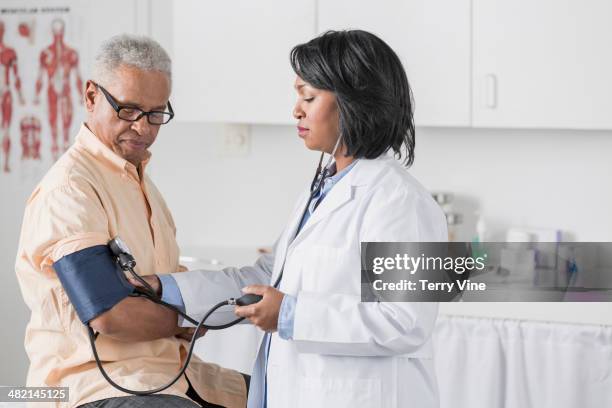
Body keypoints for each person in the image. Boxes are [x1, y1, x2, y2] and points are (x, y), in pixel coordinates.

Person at [136, 30, 448, 408]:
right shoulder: (322, 189)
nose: (296, 110)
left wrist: (290, 314)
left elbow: (406, 322)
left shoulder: (401, 201)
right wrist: (163, 288)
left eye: (309, 96)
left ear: (353, 101)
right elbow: (265, 279)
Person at [15, 35, 247, 408]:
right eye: (128, 110)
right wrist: (186, 321)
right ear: (91, 97)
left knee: (279, 389)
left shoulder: (139, 182)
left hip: (171, 373)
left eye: (157, 113)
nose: (144, 128)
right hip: (96, 384)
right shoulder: (70, 190)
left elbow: (169, 285)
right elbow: (110, 314)